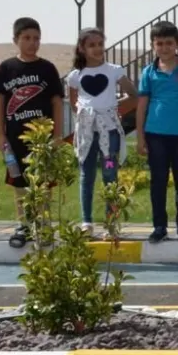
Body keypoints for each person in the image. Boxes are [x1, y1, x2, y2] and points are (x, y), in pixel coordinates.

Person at [0, 17, 65, 248]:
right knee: (19, 182)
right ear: (16, 40)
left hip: (42, 139)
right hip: (15, 138)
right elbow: (0, 101)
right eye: (26, 38)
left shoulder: (47, 69)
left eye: (36, 38)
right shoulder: (6, 69)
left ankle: (43, 226)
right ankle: (23, 226)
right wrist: (1, 134)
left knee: (43, 182)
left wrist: (57, 135)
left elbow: (56, 102)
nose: (32, 43)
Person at [136, 21, 178, 244]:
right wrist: (140, 137)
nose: (164, 48)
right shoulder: (148, 72)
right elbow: (141, 106)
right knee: (158, 181)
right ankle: (159, 226)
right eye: (159, 43)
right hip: (155, 133)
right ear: (152, 45)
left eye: (169, 43)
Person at [66, 27, 135, 237]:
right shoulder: (75, 76)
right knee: (87, 175)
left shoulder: (114, 70)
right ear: (82, 48)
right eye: (91, 45)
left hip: (110, 133)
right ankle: (87, 222)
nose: (97, 49)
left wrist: (112, 109)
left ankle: (111, 222)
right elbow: (73, 103)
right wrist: (87, 115)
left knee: (109, 172)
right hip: (87, 134)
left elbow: (133, 94)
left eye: (100, 44)